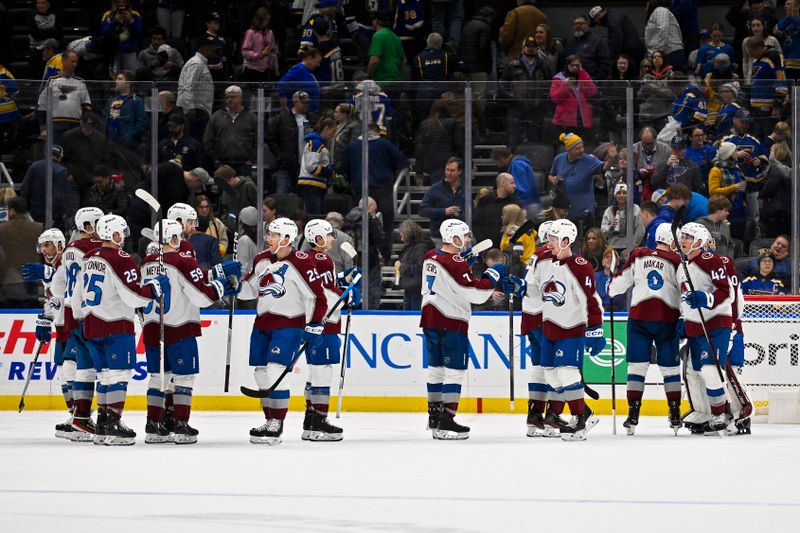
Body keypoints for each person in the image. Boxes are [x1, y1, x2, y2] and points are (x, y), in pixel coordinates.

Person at [72, 214, 170, 445]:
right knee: (118, 375)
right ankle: (113, 424)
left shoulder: (88, 257)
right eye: (121, 233)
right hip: (115, 325)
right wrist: (154, 288)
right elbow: (133, 296)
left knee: (104, 375)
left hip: (91, 324)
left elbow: (76, 297)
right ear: (114, 234)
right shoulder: (121, 258)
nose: (124, 238)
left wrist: (81, 317)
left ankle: (104, 426)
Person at [141, 219, 237, 444]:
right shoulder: (183, 260)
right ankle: (181, 425)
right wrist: (222, 287)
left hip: (153, 328)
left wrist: (214, 275)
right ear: (174, 238)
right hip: (180, 327)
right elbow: (200, 297)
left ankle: (153, 426)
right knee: (183, 377)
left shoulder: (146, 262)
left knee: (157, 378)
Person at [237, 218, 328, 445]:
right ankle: (269, 420)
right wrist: (233, 284)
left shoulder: (302, 262)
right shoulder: (261, 259)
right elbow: (248, 290)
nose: (268, 238)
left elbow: (318, 297)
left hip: (289, 324)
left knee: (276, 370)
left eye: (273, 235)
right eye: (268, 234)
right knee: (261, 372)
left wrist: (315, 325)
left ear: (286, 238)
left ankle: (277, 423)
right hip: (262, 323)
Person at [422, 219, 505, 439]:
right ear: (455, 238)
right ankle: (447, 420)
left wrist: (461, 259)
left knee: (436, 369)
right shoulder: (455, 263)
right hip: (450, 320)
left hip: (429, 319)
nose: (469, 239)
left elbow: (447, 270)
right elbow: (474, 292)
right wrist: (493, 275)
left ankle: (434, 417)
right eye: (465, 236)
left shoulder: (430, 255)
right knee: (455, 372)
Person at [529, 219, 603, 440]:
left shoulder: (579, 266)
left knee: (567, 372)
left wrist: (596, 328)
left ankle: (579, 418)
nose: (548, 243)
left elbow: (590, 300)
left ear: (565, 240)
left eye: (552, 239)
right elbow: (537, 292)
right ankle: (585, 412)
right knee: (551, 374)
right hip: (549, 328)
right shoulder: (544, 263)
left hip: (571, 328)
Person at [608, 223, 682, 434]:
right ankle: (675, 413)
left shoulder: (638, 255)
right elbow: (684, 290)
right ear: (672, 240)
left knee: (636, 368)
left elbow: (617, 287)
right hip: (667, 319)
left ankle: (633, 414)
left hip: (639, 319)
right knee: (670, 370)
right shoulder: (677, 261)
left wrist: (610, 286)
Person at [301, 219, 361, 440]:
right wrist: (347, 295)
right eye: (328, 235)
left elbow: (327, 287)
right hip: (321, 322)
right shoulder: (320, 259)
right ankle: (318, 422)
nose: (332, 239)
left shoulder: (313, 258)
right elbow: (324, 294)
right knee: (322, 371)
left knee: (315, 371)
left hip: (316, 321)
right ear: (317, 238)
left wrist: (346, 282)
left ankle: (311, 420)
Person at [675, 222, 733, 434]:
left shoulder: (711, 260)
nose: (683, 240)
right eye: (682, 237)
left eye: (688, 237)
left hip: (716, 323)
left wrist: (707, 298)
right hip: (695, 327)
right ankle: (714, 411)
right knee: (697, 372)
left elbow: (726, 292)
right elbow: (684, 297)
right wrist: (683, 318)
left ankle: (720, 414)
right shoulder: (683, 267)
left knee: (711, 369)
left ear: (699, 241)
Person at [56, 208, 102, 441]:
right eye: (98, 224)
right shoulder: (93, 250)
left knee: (84, 366)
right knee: (102, 368)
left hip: (72, 313)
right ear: (87, 226)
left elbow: (57, 285)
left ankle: (80, 419)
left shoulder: (68, 251)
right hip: (88, 312)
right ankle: (98, 418)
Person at [20, 228, 70, 437]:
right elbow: (53, 298)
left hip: (74, 326)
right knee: (62, 371)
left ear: (60, 245)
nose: (43, 249)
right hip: (60, 327)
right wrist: (45, 317)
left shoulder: (69, 262)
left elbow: (72, 290)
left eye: (47, 244)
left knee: (73, 370)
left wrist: (50, 274)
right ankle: (75, 414)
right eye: (41, 245)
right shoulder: (49, 269)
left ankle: (83, 415)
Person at [343, 122, 409, 259]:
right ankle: (384, 256)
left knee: (359, 222)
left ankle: (360, 256)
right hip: (382, 189)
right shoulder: (384, 143)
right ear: (378, 132)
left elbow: (343, 168)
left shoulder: (352, 146)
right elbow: (402, 160)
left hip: (360, 189)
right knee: (387, 224)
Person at [547, 133, 615, 233]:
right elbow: (550, 175)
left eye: (582, 147)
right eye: (577, 148)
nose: (582, 150)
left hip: (584, 214)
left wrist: (611, 158)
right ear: (568, 149)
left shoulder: (589, 161)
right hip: (564, 214)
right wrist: (552, 179)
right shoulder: (559, 159)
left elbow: (605, 167)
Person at [498, 35, 552, 149]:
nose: (530, 49)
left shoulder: (543, 66)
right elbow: (503, 87)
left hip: (536, 109)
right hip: (516, 109)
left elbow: (550, 86)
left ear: (537, 49)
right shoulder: (512, 65)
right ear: (523, 48)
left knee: (535, 142)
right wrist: (514, 100)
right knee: (513, 141)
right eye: (528, 46)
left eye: (533, 46)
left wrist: (542, 100)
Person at [267, 91, 317, 194]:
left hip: (306, 165)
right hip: (286, 165)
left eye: (307, 103)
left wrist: (314, 134)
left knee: (304, 195)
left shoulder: (313, 119)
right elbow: (271, 138)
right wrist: (281, 156)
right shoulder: (281, 118)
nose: (306, 105)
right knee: (283, 194)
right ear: (295, 102)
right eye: (303, 103)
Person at [37, 50, 91, 146]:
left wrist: (85, 125)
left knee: (73, 157)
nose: (75, 64)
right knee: (54, 156)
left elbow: (86, 107)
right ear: (64, 61)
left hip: (75, 127)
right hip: (55, 126)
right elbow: (42, 106)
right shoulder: (52, 81)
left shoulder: (80, 82)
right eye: (72, 61)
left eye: (76, 62)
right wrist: (43, 128)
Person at [203, 85, 257, 176]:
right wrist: (216, 159)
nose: (229, 100)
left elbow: (258, 141)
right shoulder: (216, 117)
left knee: (242, 189)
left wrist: (250, 160)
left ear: (240, 98)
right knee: (223, 189)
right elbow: (207, 141)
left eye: (233, 97)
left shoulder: (251, 117)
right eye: (227, 97)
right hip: (222, 164)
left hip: (244, 164)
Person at [460, 6, 495, 137]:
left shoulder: (467, 26)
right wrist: (488, 66)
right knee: (479, 100)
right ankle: (481, 129)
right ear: (489, 17)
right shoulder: (484, 27)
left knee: (469, 98)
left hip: (467, 67)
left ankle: (471, 126)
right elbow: (483, 48)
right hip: (479, 68)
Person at [745, 36, 788, 132]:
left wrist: (777, 106)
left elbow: (781, 81)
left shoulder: (774, 56)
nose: (750, 56)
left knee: (770, 139)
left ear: (760, 48)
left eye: (751, 52)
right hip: (756, 109)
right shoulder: (757, 60)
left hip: (768, 110)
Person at [20, 145, 70, 227]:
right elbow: (59, 196)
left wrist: (25, 208)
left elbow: (25, 188)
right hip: (53, 216)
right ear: (60, 156)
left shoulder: (34, 166)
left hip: (35, 212)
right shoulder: (61, 170)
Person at [419, 157, 466, 245]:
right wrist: (444, 211)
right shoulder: (435, 189)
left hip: (459, 238)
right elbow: (422, 210)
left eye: (452, 171)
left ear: (459, 171)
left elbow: (471, 210)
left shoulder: (465, 189)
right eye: (447, 170)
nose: (448, 173)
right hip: (439, 238)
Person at [708, 142, 749, 241]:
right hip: (724, 214)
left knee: (739, 240)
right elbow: (713, 192)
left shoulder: (736, 167)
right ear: (729, 154)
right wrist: (734, 187)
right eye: (735, 151)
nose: (737, 153)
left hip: (739, 212)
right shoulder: (716, 170)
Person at [550, 56, 597, 142]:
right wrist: (566, 85)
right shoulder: (558, 79)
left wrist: (582, 73)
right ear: (567, 65)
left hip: (582, 121)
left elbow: (592, 92)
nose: (575, 67)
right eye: (572, 65)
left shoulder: (583, 77)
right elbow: (555, 98)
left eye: (577, 65)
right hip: (565, 122)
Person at [177, 37, 216, 140]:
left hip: (200, 111)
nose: (215, 50)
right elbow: (187, 86)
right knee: (194, 141)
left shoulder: (201, 63)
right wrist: (190, 107)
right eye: (213, 47)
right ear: (205, 47)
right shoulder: (196, 63)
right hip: (195, 112)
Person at [413, 106, 464, 185]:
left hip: (431, 166)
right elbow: (460, 144)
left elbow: (420, 150)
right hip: (449, 163)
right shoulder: (452, 123)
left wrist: (418, 171)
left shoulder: (424, 124)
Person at [297, 117, 336, 214]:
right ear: (326, 128)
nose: (333, 135)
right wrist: (328, 172)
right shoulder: (315, 143)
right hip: (311, 186)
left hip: (315, 186)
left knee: (317, 215)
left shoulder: (319, 143)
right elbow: (311, 166)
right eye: (333, 131)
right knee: (314, 217)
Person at [394, 220, 434, 310]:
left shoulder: (420, 248)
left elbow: (421, 268)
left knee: (415, 314)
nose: (401, 239)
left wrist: (402, 266)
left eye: (402, 236)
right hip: (412, 287)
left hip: (417, 288)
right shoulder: (412, 247)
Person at [473, 173, 519, 246]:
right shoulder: (485, 200)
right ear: (503, 183)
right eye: (511, 183)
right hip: (488, 245)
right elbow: (477, 223)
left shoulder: (515, 202)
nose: (515, 186)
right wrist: (482, 241)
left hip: (508, 246)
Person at [104, 70, 146, 150]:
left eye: (120, 79)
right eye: (117, 79)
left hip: (127, 145)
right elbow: (105, 116)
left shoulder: (136, 100)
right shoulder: (112, 99)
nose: (116, 81)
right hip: (111, 142)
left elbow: (142, 122)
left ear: (128, 83)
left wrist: (130, 136)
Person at [601, 183, 644, 258]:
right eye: (618, 193)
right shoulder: (609, 211)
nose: (621, 195)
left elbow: (640, 230)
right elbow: (603, 232)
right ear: (615, 195)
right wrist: (610, 227)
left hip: (630, 247)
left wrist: (632, 246)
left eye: (624, 193)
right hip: (612, 247)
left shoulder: (635, 209)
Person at [563, 15, 611, 81]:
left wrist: (594, 80)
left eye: (581, 24)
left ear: (587, 25)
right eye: (575, 24)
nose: (577, 26)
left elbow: (605, 65)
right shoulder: (569, 44)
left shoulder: (598, 42)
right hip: (571, 84)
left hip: (591, 83)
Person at [100, 0, 143, 73]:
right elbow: (104, 33)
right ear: (114, 2)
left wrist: (131, 20)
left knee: (131, 76)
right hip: (113, 52)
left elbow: (139, 32)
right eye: (119, 2)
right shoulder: (108, 15)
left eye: (123, 1)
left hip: (130, 51)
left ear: (127, 2)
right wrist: (115, 22)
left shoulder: (134, 14)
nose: (121, 4)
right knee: (114, 77)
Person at [491, 147, 539, 211]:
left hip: (525, 205)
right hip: (528, 203)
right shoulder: (518, 163)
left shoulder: (517, 165)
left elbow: (521, 189)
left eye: (496, 162)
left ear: (501, 159)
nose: (497, 165)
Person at [760, 142, 792, 237]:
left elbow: (769, 188)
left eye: (771, 151)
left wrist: (759, 193)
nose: (769, 154)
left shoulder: (775, 167)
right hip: (787, 210)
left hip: (774, 211)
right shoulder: (789, 168)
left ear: (777, 152)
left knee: (772, 239)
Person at [645, 184, 692, 249]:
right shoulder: (666, 215)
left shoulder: (674, 213)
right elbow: (656, 233)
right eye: (685, 199)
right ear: (678, 197)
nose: (687, 202)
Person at [214, 165, 258, 233]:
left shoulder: (248, 186)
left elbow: (257, 207)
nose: (223, 187)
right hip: (231, 229)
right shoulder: (226, 190)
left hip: (247, 228)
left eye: (225, 183)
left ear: (231, 178)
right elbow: (225, 210)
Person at [240, 7, 279, 82]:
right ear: (259, 19)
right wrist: (258, 55)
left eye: (268, 20)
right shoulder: (250, 32)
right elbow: (244, 51)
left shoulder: (270, 33)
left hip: (265, 70)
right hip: (251, 69)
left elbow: (273, 51)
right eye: (265, 20)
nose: (267, 22)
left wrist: (269, 65)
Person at [645, 0, 685, 71]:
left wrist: (657, 52)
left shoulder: (660, 10)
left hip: (669, 54)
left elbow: (663, 29)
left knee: (671, 81)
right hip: (666, 54)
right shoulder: (659, 12)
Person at [27, 0, 63, 80]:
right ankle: (35, 83)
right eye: (38, 3)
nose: (40, 5)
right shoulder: (32, 16)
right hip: (36, 46)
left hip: (52, 46)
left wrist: (42, 31)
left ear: (48, 4)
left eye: (43, 3)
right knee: (35, 63)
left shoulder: (55, 15)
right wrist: (51, 31)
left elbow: (59, 34)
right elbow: (35, 35)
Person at [278, 48, 321, 113]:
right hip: (300, 114)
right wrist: (283, 106)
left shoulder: (309, 72)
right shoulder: (298, 69)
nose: (318, 65)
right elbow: (282, 84)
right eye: (317, 62)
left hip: (310, 114)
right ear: (309, 58)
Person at [367, 12, 406, 82]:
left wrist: (368, 75)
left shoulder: (378, 35)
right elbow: (403, 61)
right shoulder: (396, 37)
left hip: (383, 81)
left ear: (376, 21)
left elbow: (374, 60)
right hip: (397, 80)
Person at [742, 16, 780, 83]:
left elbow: (780, 57)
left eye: (758, 25)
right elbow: (745, 60)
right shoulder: (746, 41)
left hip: (769, 74)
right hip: (751, 76)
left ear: (763, 26)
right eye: (753, 26)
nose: (755, 28)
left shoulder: (772, 40)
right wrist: (746, 77)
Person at [773, 0, 800, 79]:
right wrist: (787, 19)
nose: (785, 6)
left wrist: (794, 18)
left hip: (798, 62)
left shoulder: (796, 20)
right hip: (786, 62)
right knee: (789, 88)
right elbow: (775, 31)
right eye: (785, 4)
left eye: (788, 4)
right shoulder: (785, 20)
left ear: (797, 7)